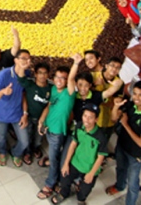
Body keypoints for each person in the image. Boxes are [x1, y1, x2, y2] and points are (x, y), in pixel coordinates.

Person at [106, 81, 141, 205]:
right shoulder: (130, 105)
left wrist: (125, 124)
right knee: (120, 169)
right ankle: (119, 186)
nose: (136, 98)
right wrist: (116, 107)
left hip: (135, 155)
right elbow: (113, 118)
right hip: (121, 146)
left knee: (133, 182)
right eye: (134, 94)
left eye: (140, 95)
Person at [36, 56, 79, 200]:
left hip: (57, 132)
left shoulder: (69, 93)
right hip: (49, 128)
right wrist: (42, 121)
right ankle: (55, 174)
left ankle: (50, 183)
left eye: (63, 78)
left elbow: (72, 79)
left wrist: (76, 63)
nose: (59, 80)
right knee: (55, 155)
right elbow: (50, 105)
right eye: (57, 77)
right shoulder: (54, 89)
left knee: (54, 160)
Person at [51, 103, 107, 204]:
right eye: (85, 116)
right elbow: (73, 144)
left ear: (96, 119)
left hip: (90, 168)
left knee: (85, 190)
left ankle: (81, 200)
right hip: (76, 162)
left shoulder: (101, 136)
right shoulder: (79, 125)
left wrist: (91, 174)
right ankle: (64, 193)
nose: (87, 120)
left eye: (90, 117)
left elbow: (100, 157)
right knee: (64, 178)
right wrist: (66, 163)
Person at [0, 50, 31, 168]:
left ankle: (15, 153)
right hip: (1, 115)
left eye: (28, 59)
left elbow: (24, 95)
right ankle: (2, 153)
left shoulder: (27, 75)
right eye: (23, 58)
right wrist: (3, 92)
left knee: (24, 141)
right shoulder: (3, 75)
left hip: (18, 115)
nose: (27, 61)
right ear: (15, 60)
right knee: (1, 137)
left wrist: (25, 113)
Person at [18, 62, 51, 164]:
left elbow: (50, 105)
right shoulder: (30, 84)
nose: (42, 76)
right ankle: (27, 152)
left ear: (48, 74)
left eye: (45, 73)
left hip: (42, 119)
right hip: (28, 117)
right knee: (27, 137)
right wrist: (22, 66)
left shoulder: (51, 89)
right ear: (35, 74)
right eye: (40, 73)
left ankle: (36, 148)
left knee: (38, 139)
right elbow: (20, 78)